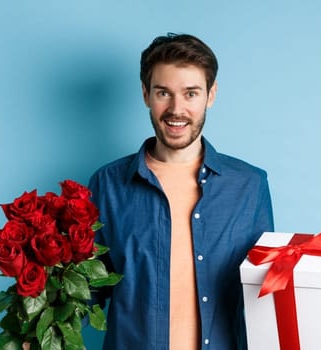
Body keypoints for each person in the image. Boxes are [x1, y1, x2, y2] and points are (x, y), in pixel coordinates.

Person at [88, 33, 274, 350]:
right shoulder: (107, 184)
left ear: (210, 95)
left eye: (191, 93)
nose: (177, 109)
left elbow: (263, 291)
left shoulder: (249, 185)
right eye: (164, 93)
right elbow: (88, 287)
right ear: (146, 94)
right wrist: (38, 331)